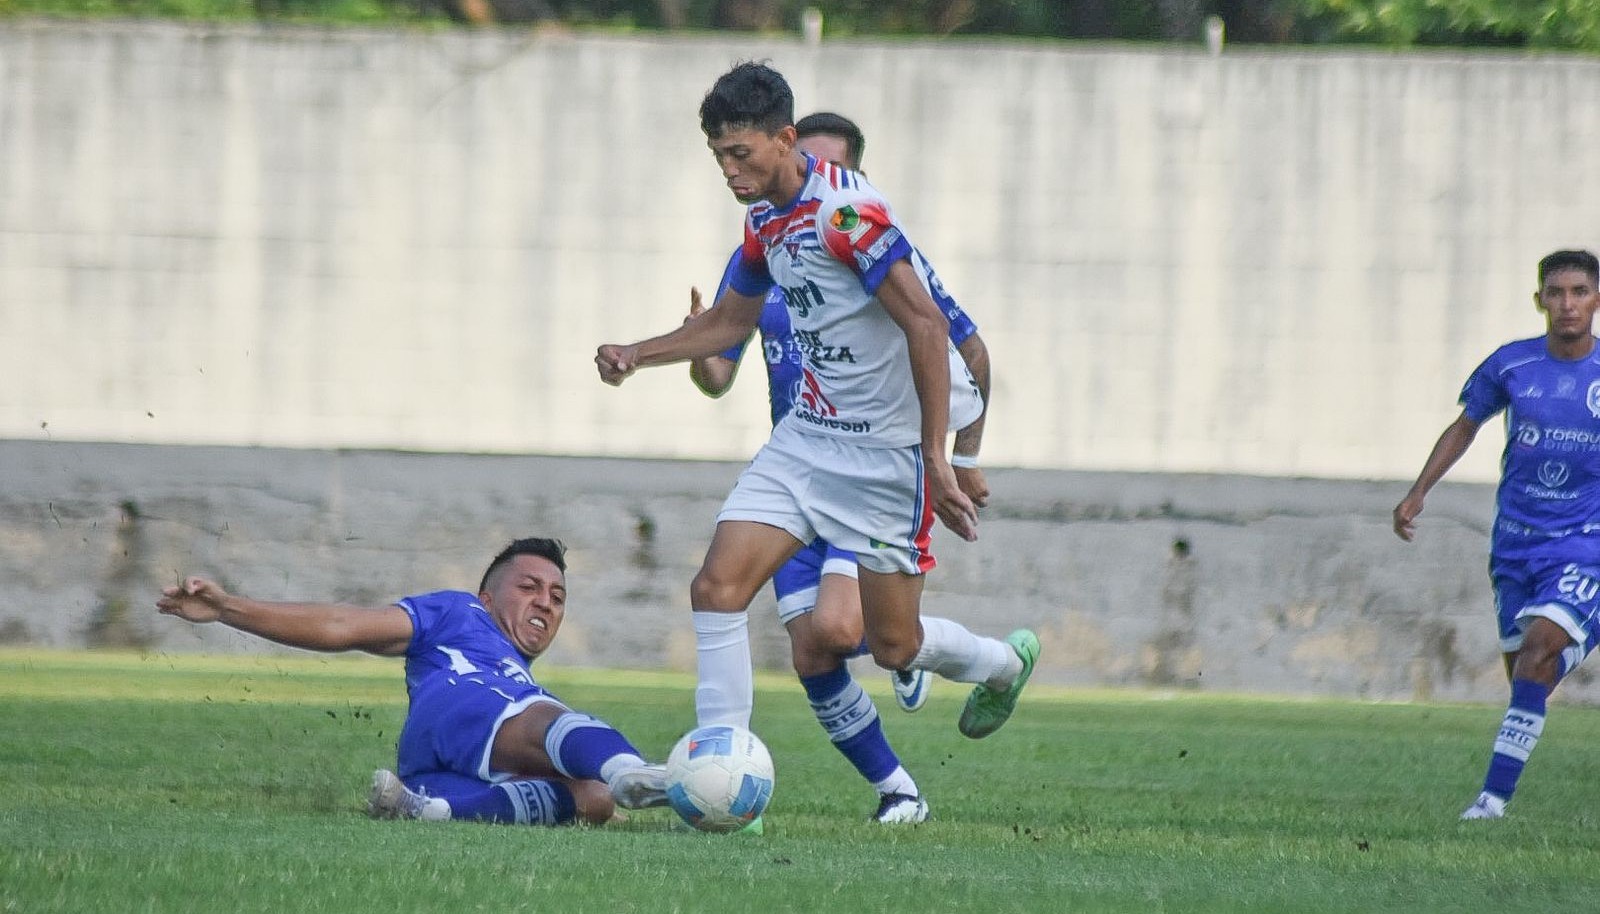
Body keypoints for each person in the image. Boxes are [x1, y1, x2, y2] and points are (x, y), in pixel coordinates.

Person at [595, 63, 1038, 768]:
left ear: (785, 138)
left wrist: (938, 455)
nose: (730, 171)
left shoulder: (847, 215)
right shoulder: (764, 220)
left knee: (895, 644)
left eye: (741, 154)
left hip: (887, 455)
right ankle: (721, 766)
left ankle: (999, 666)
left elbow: (927, 328)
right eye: (719, 157)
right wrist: (636, 352)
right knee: (716, 587)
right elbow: (730, 322)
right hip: (807, 439)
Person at [682, 111, 993, 824]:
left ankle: (929, 653)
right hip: (799, 467)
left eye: (827, 168)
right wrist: (686, 345)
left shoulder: (865, 241)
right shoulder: (768, 245)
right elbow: (718, 370)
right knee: (808, 648)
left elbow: (962, 349)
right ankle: (894, 790)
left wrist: (958, 457)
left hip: (871, 468)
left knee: (849, 631)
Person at [155, 536, 669, 827]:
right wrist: (228, 608)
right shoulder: (460, 612)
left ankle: (432, 810)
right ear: (487, 597)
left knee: (592, 799)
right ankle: (634, 771)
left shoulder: (515, 675)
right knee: (551, 721)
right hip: (474, 712)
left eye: (558, 598)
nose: (545, 602)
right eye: (529, 587)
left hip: (431, 759)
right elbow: (343, 625)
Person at [1394, 249, 1600, 820]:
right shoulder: (1511, 366)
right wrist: (1418, 492)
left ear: (1597, 300)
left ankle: (1491, 801)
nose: (1567, 304)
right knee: (1528, 675)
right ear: (1539, 301)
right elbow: (1465, 427)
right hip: (1515, 545)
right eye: (1556, 293)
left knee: (1537, 650)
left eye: (1579, 292)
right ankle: (1572, 642)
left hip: (1588, 543)